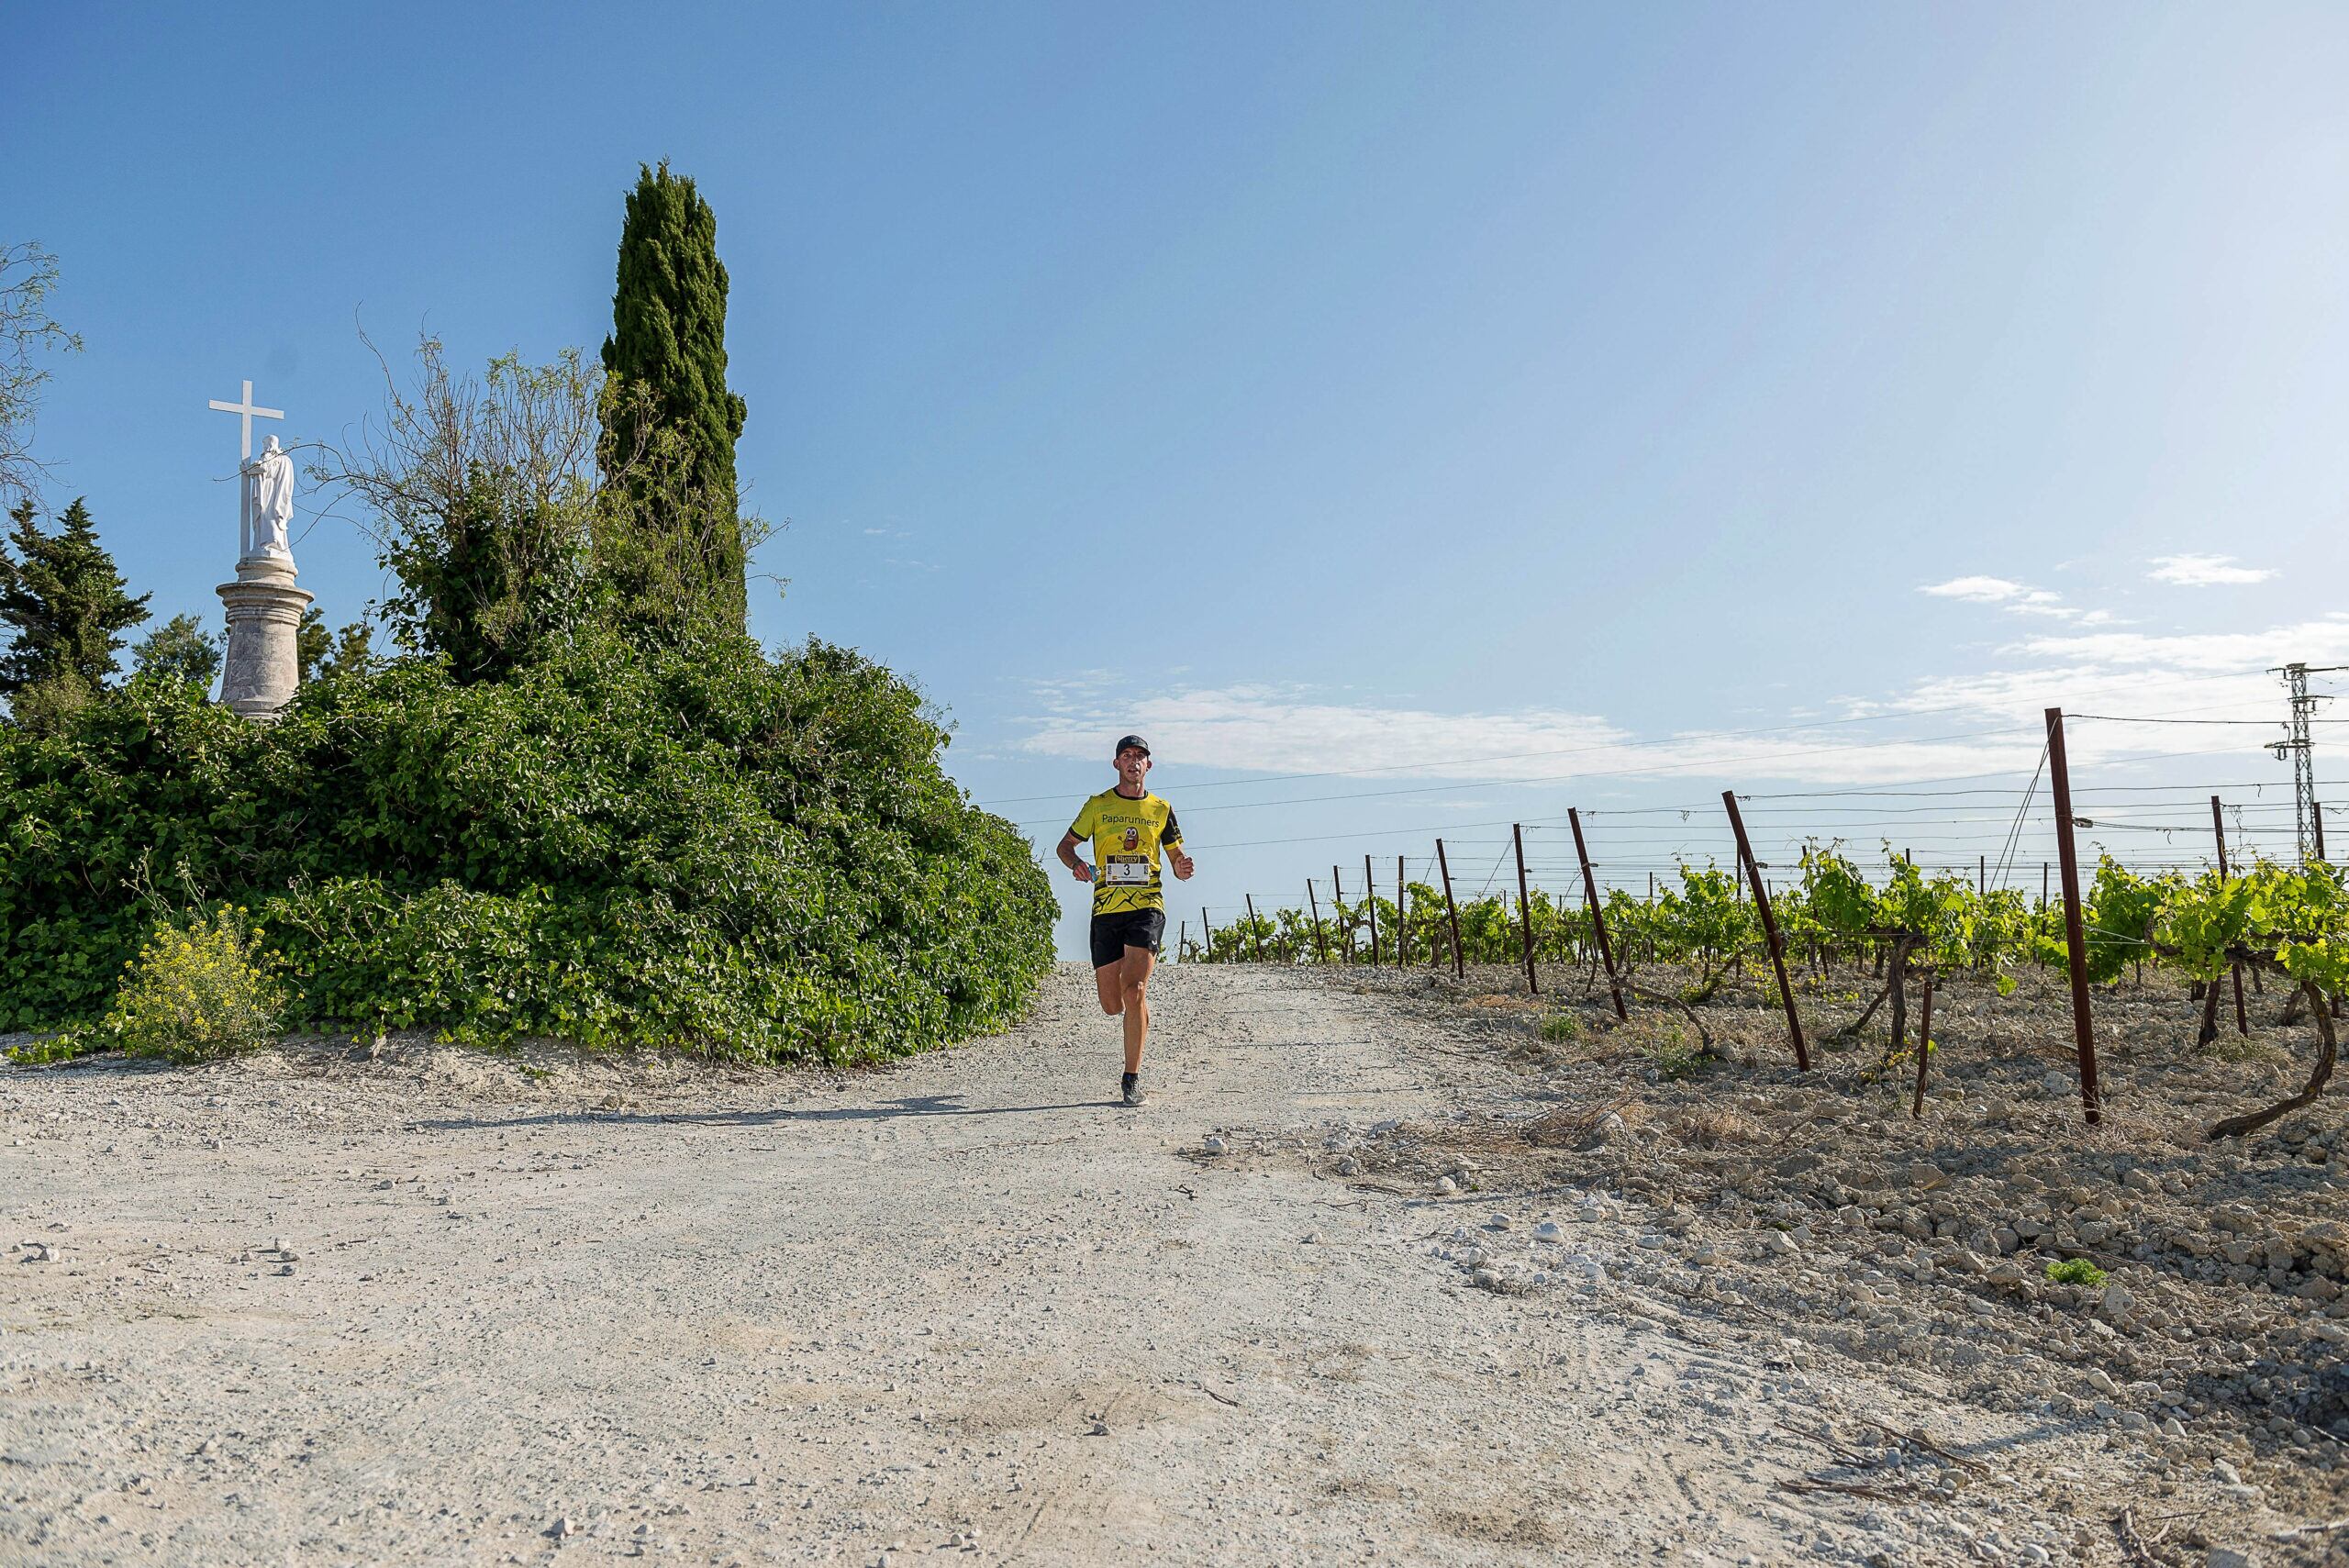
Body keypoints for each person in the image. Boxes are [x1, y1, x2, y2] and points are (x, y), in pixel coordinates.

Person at [1058, 734, 1194, 1106]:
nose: (1134, 762)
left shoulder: (1162, 809)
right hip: (1106, 908)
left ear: (1149, 765)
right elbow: (1065, 846)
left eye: (1140, 757)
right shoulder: (1098, 806)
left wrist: (1182, 868)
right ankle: (1136, 1009)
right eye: (1126, 756)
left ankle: (1131, 1077)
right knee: (1112, 1003)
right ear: (1116, 763)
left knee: (1135, 990)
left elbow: (1177, 860)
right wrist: (1078, 864)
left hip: (1147, 906)